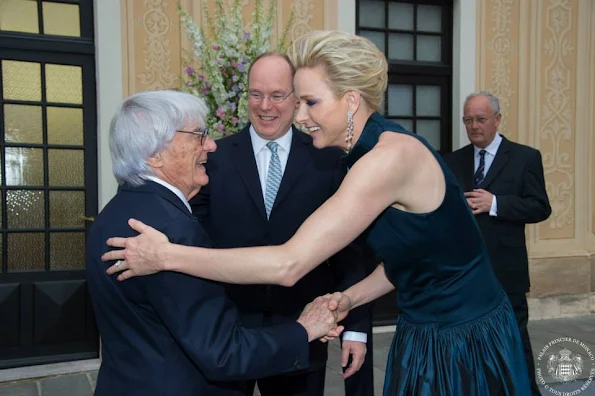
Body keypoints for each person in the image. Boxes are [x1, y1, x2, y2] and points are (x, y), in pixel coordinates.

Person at [102, 31, 532, 395]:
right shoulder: (361, 153)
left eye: (309, 102)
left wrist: (166, 256)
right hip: (423, 331)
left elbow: (290, 263)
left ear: (349, 101)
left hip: (464, 337)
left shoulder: (386, 159)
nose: (299, 116)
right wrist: (349, 298)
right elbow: (417, 255)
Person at [87, 90, 344, 396]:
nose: (210, 145)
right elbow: (224, 354)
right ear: (154, 153)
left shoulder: (110, 215)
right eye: (199, 135)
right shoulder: (173, 232)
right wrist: (305, 329)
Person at [190, 51, 373, 396]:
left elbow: (353, 250)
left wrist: (357, 328)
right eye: (256, 94)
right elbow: (194, 242)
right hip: (227, 335)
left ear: (296, 99)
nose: (265, 106)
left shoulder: (329, 159)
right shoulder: (213, 160)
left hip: (303, 335)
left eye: (277, 95)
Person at [444, 91, 551, 396]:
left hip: (507, 272)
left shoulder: (525, 157)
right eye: (468, 120)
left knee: (513, 344)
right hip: (463, 273)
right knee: (468, 349)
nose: (474, 125)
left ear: (497, 120)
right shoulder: (452, 161)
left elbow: (540, 207)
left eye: (480, 119)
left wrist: (496, 204)